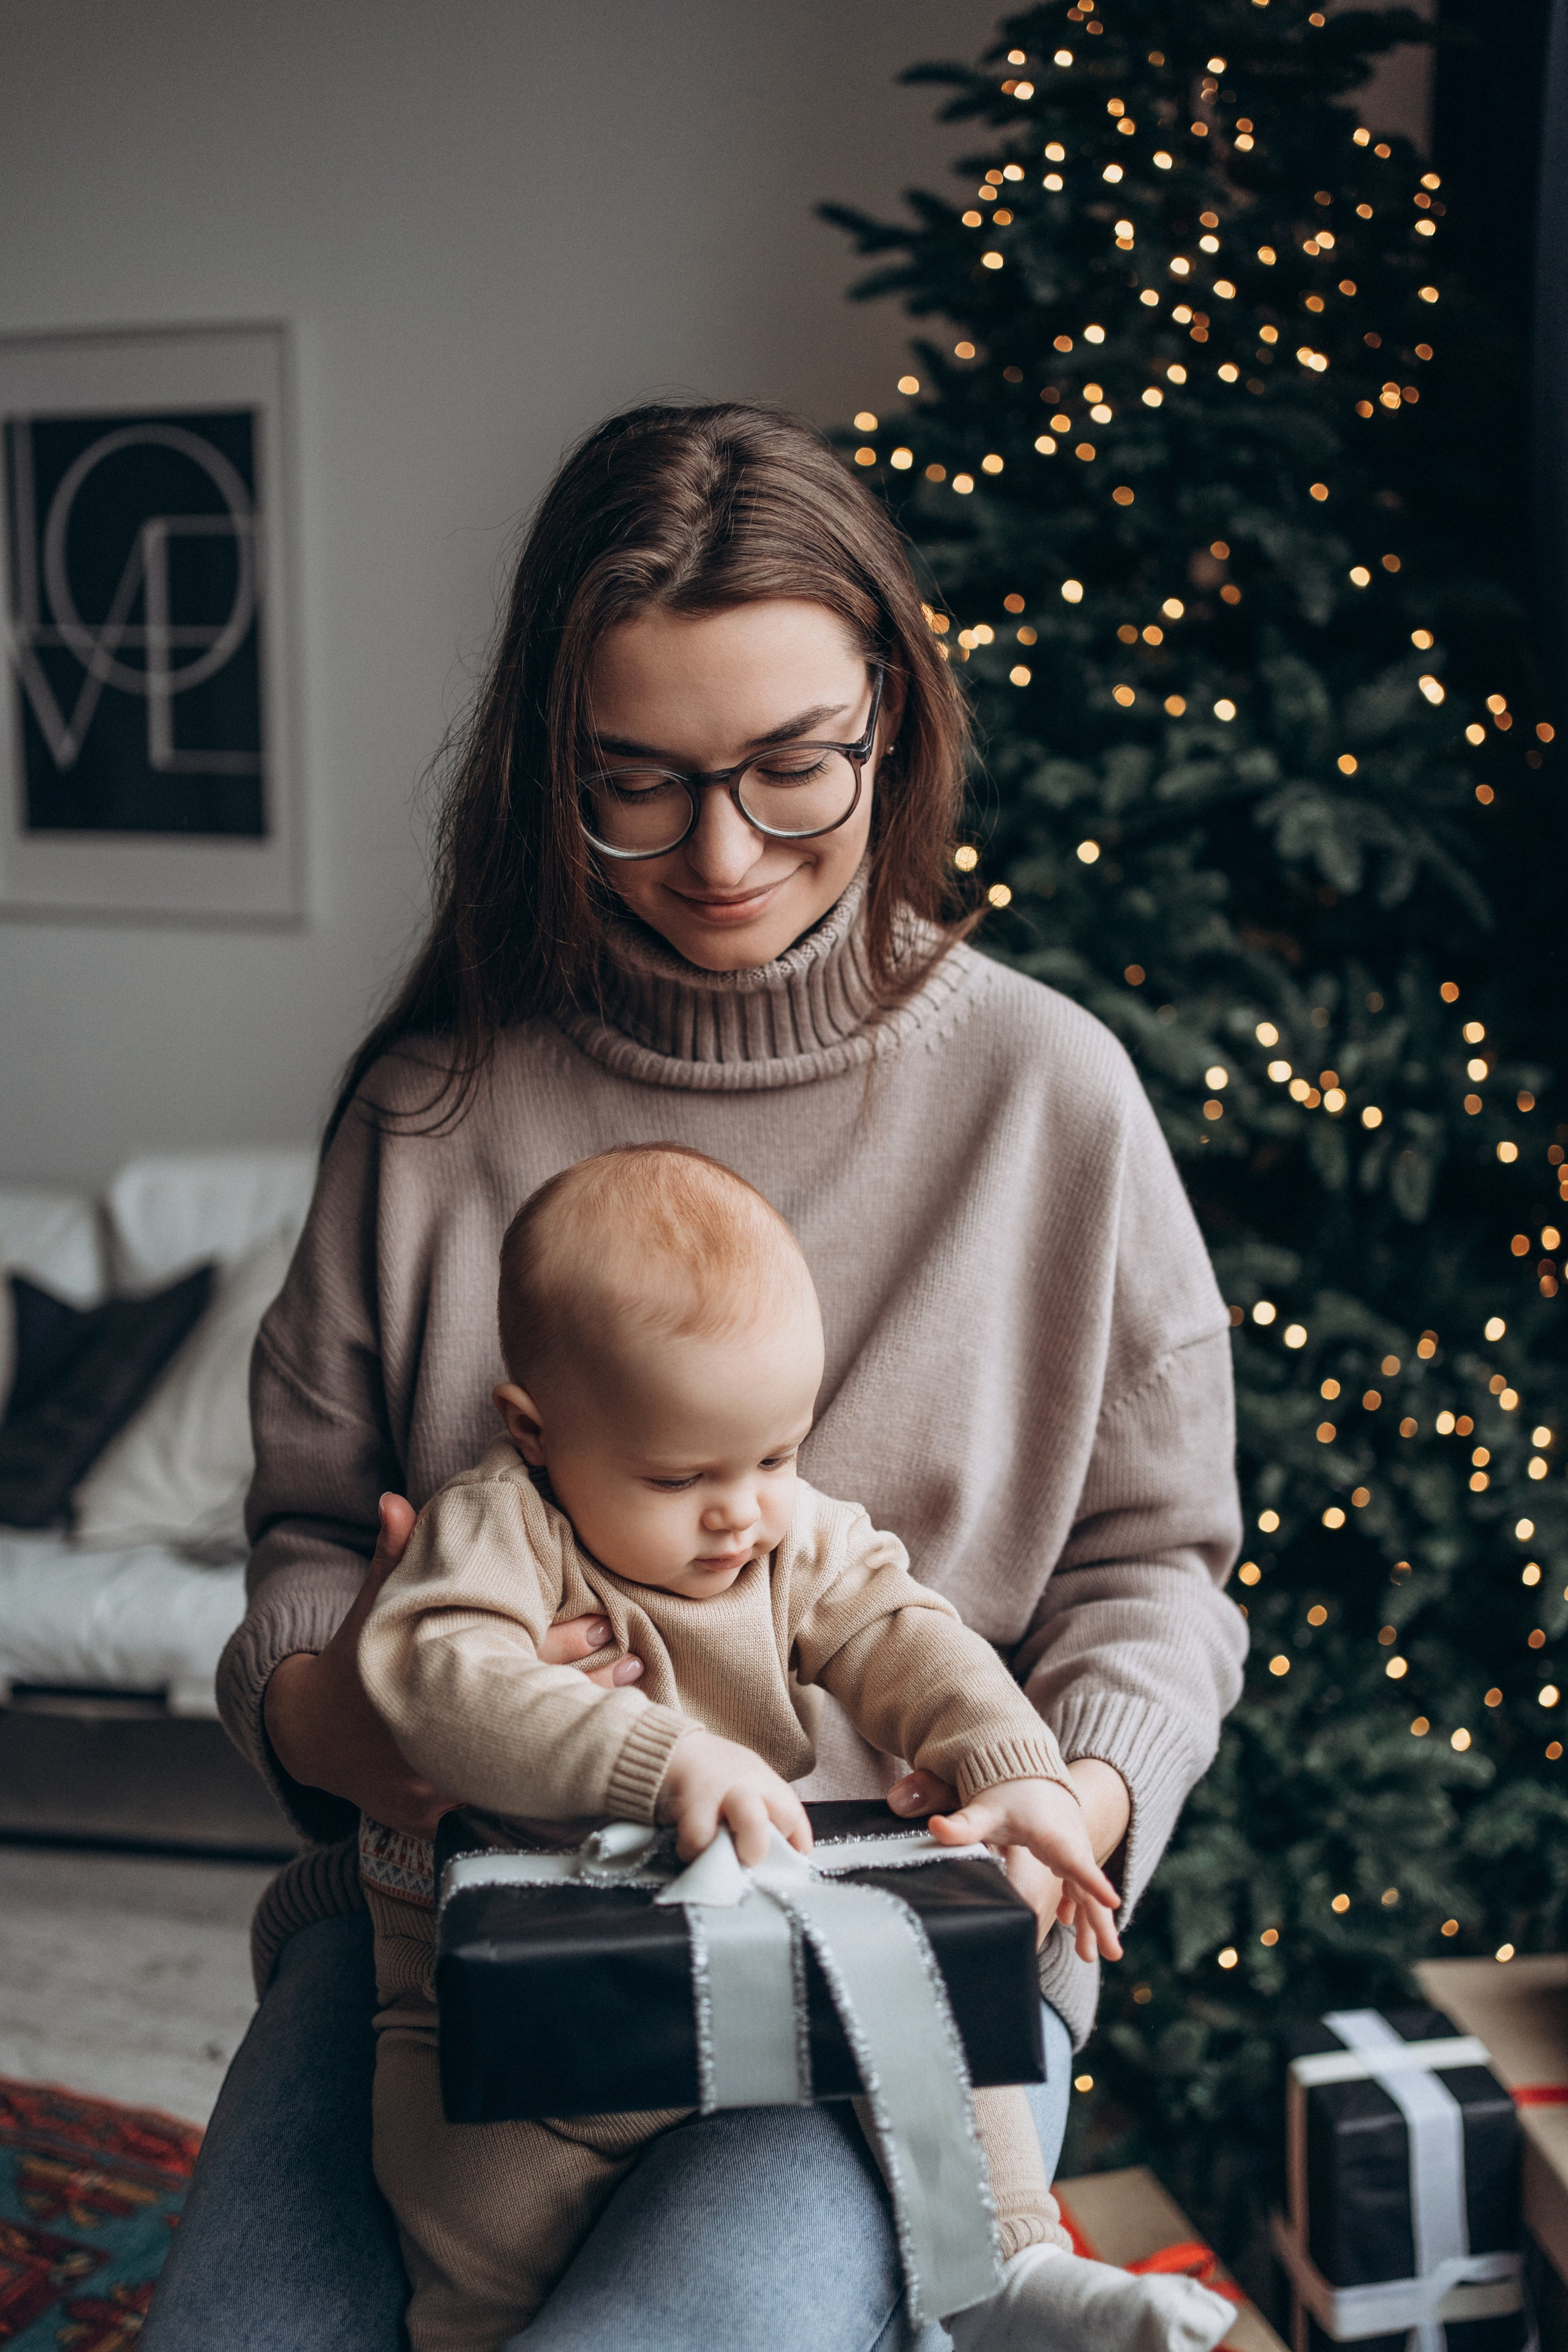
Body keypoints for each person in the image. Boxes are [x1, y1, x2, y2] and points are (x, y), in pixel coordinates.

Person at [142, 402, 1248, 2352]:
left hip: (886, 1957)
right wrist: (331, 1718)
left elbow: (1160, 1571)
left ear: (890, 719)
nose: (721, 855)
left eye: (792, 771)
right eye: (631, 785)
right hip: (473, 1931)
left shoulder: (1048, 1097)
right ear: (540, 767)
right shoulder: (431, 1111)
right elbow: (308, 1537)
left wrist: (1065, 1784)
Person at [358, 1144, 1232, 2352]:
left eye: (774, 1457)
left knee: (926, 2014)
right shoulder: (501, 1526)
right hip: (529, 2001)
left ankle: (1007, 2277)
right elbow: (436, 1674)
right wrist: (657, 1758)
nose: (741, 1511)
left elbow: (903, 1635)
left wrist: (1016, 1770)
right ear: (536, 1429)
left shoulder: (783, 1540)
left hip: (758, 1952)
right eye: (679, 1476)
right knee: (472, 2217)